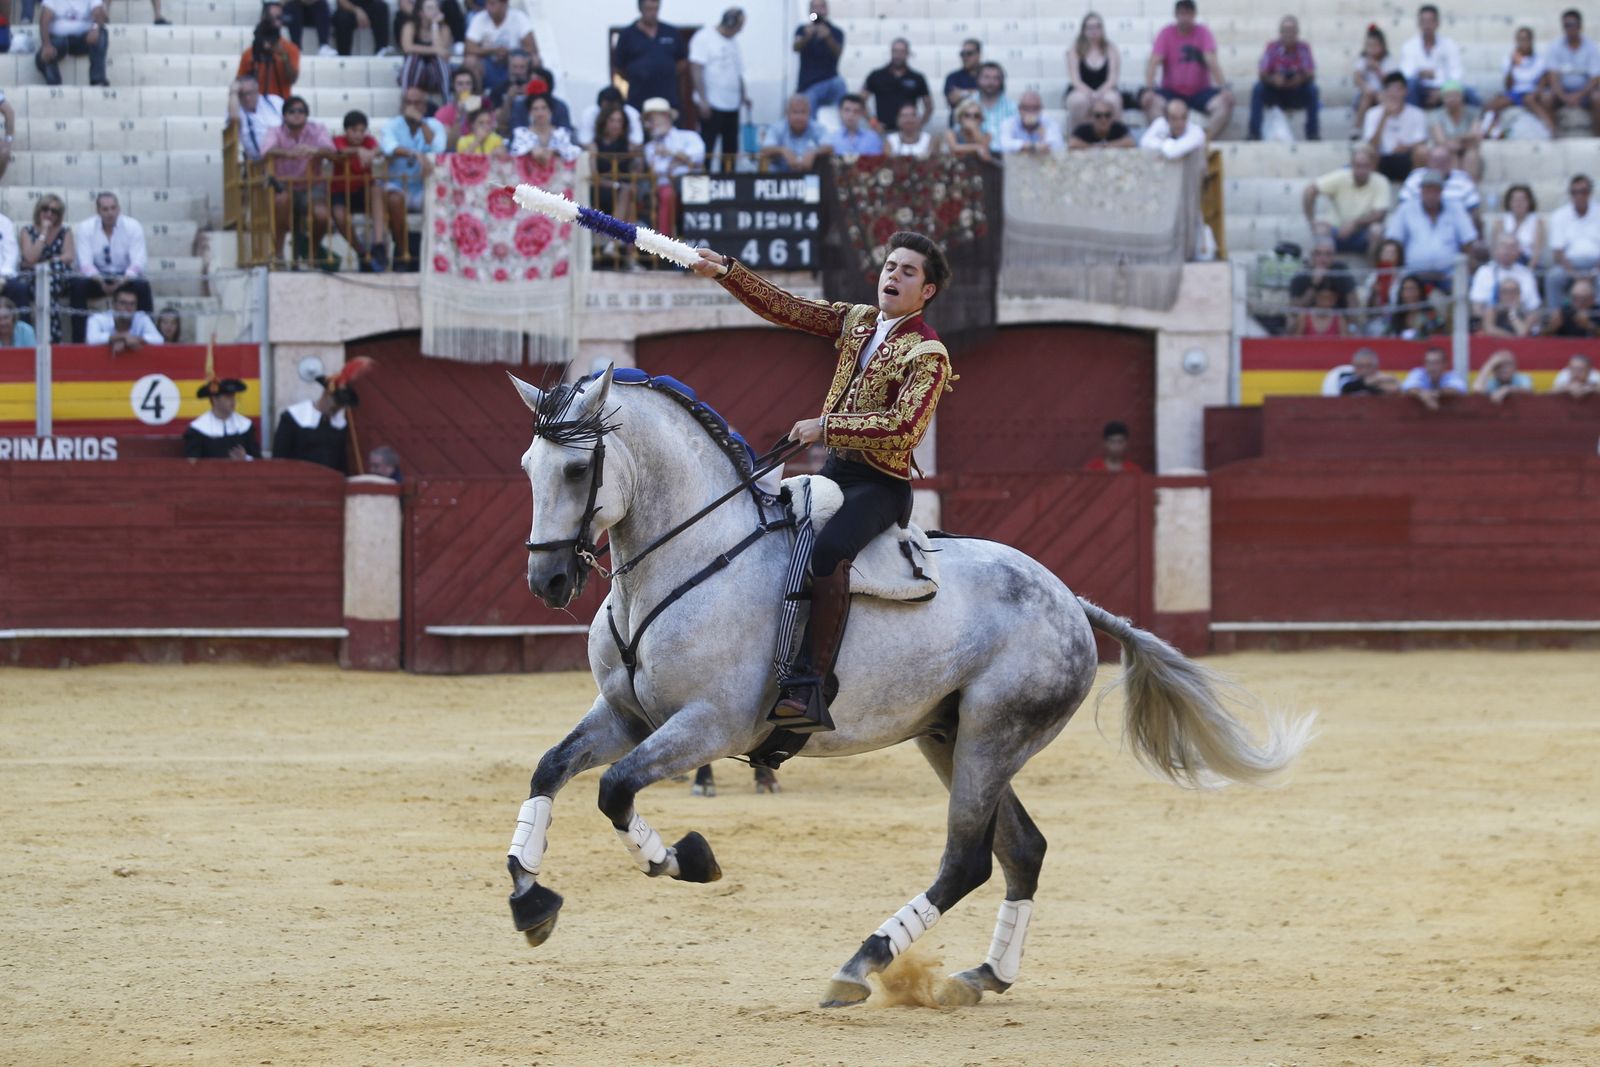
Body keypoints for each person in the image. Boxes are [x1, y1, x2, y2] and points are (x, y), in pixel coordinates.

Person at [690, 231, 953, 734]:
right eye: (890, 266)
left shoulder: (929, 353)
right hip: (834, 473)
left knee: (829, 551)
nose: (893, 276)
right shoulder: (857, 322)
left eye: (908, 272)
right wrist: (728, 271)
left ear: (927, 291)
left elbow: (904, 426)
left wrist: (826, 426)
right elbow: (787, 307)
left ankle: (811, 686)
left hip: (879, 484)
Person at [1142, 0, 1234, 140]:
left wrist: (1224, 87)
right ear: (1176, 15)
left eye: (1188, 13)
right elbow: (1154, 62)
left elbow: (1212, 61)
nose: (1184, 17)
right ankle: (1168, 141)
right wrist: (1148, 89)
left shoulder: (1203, 33)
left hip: (1200, 93)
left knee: (1225, 104)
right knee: (1151, 102)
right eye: (1181, 13)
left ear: (1194, 15)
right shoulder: (1166, 33)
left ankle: (1202, 141)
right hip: (1171, 92)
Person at [71, 192, 154, 343]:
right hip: (97, 277)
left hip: (124, 276)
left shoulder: (133, 226)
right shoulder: (85, 228)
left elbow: (138, 262)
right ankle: (79, 340)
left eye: (113, 208)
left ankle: (144, 337)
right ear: (98, 211)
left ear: (119, 209)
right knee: (77, 286)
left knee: (142, 286)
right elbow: (85, 263)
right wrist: (101, 282)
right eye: (105, 209)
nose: (110, 213)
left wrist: (121, 282)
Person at [262, 95, 335, 266]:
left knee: (323, 216)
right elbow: (265, 150)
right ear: (284, 115)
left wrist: (314, 150)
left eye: (301, 111)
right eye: (292, 111)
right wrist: (288, 153)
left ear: (307, 114)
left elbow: (331, 151)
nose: (296, 114)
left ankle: (312, 251)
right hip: (284, 185)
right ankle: (278, 252)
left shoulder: (317, 129)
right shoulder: (275, 131)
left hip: (312, 185)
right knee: (281, 201)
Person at [380, 86, 447, 270]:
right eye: (408, 103)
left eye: (417, 103)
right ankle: (403, 253)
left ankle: (432, 256)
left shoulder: (434, 125)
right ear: (402, 106)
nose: (412, 107)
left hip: (424, 186)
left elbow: (438, 149)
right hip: (398, 184)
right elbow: (389, 147)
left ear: (425, 107)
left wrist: (421, 123)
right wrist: (416, 154)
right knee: (394, 199)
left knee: (439, 202)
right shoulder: (392, 125)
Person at [1383, 169, 1476, 288]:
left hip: (1448, 274)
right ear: (1421, 191)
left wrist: (1467, 268)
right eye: (1427, 190)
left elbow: (1469, 241)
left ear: (1441, 191)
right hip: (1414, 276)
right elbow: (1393, 241)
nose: (1431, 195)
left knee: (1468, 285)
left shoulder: (1456, 208)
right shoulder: (1406, 209)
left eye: (1435, 190)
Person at [1303, 145, 1393, 258]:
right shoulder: (1341, 176)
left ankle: (1373, 274)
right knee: (1320, 229)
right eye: (1358, 165)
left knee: (1377, 230)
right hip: (1336, 231)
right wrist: (1312, 221)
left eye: (1365, 166)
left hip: (1363, 234)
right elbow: (1310, 190)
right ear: (1352, 165)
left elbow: (1380, 214)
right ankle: (1326, 272)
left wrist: (1355, 223)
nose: (1361, 170)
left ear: (1372, 166)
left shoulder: (1381, 181)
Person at [689, 7, 747, 169]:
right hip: (712, 104)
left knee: (730, 150)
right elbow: (696, 68)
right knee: (707, 147)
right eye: (740, 25)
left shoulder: (734, 42)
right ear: (730, 23)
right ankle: (705, 180)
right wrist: (703, 99)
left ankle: (728, 182)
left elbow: (738, 72)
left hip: (732, 105)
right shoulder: (704, 37)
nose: (741, 30)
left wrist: (744, 94)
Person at [12, 196, 75, 344]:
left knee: (50, 277)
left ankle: (44, 338)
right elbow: (30, 257)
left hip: (57, 277)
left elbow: (68, 256)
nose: (49, 214)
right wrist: (44, 233)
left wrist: (46, 262)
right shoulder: (27, 231)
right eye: (45, 209)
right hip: (34, 278)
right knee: (45, 281)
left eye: (54, 211)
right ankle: (53, 338)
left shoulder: (65, 231)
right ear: (39, 210)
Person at [641, 97, 704, 237]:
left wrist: (671, 153)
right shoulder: (650, 147)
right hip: (667, 186)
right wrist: (682, 160)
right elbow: (659, 169)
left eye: (652, 119)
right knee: (667, 193)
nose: (650, 124)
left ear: (665, 117)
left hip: (692, 182)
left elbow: (698, 158)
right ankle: (666, 243)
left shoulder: (689, 136)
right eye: (648, 121)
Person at [1250, 15, 1319, 141]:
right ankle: (1254, 133)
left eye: (1292, 31)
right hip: (1276, 91)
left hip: (1296, 92)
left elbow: (1311, 73)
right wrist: (1273, 80)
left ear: (1297, 33)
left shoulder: (1303, 48)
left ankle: (1312, 134)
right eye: (1286, 31)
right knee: (1258, 89)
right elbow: (1262, 73)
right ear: (1280, 33)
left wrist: (1300, 79)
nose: (1289, 34)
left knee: (1312, 90)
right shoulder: (1272, 47)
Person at [331, 110, 383, 272]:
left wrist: (372, 152)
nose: (359, 135)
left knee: (376, 189)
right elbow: (339, 151)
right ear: (346, 130)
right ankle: (361, 251)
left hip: (363, 189)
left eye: (362, 131)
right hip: (340, 190)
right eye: (354, 130)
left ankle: (378, 244)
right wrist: (358, 151)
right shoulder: (338, 140)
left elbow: (378, 149)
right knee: (339, 216)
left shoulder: (368, 141)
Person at [274, 374, 358, 473]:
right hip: (297, 481)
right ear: (326, 393)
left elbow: (341, 462)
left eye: (341, 405)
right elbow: (279, 458)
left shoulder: (339, 425)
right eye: (336, 401)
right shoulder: (293, 418)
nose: (337, 408)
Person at [612, 0, 684, 113]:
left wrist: (665, 72)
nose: (653, 13)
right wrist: (637, 75)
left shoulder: (671, 32)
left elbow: (682, 61)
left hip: (668, 99)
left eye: (656, 9)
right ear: (640, 9)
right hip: (638, 100)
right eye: (649, 9)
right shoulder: (627, 35)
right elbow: (618, 67)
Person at [1536, 9, 1600, 136]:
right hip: (1562, 92)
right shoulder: (1555, 46)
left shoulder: (1591, 47)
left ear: (1580, 26)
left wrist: (1578, 96)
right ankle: (1553, 135)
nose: (1568, 29)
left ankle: (1597, 136)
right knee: (1546, 97)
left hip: (1584, 93)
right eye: (1565, 25)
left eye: (1571, 25)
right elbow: (1553, 77)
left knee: (1597, 98)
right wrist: (1564, 96)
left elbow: (1595, 79)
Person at [1400, 4, 1473, 109]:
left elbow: (1457, 73)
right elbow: (1405, 73)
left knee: (1470, 95)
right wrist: (1419, 73)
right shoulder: (1409, 46)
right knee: (1410, 84)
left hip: (1445, 89)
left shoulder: (1449, 44)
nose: (1427, 25)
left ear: (1437, 23)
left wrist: (1442, 91)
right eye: (1423, 21)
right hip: (1420, 90)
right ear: (1419, 24)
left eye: (1430, 21)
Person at [1484, 26, 1552, 138]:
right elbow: (1508, 86)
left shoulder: (1540, 60)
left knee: (1531, 100)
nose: (1523, 43)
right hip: (1515, 92)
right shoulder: (1509, 60)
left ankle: (1550, 128)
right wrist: (1512, 65)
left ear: (1531, 41)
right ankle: (1490, 131)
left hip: (1532, 92)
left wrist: (1537, 92)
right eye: (1520, 40)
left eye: (1526, 39)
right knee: (1492, 105)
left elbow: (1544, 80)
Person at [1544, 174, 1600, 308]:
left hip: (1597, 263)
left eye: (1583, 191)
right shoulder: (1559, 215)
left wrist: (1595, 272)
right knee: (1553, 277)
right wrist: (1575, 274)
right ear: (1570, 194)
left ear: (1590, 193)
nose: (1579, 196)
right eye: (1574, 192)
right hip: (1569, 264)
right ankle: (1555, 318)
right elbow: (1558, 253)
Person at [1363, 72, 1428, 183]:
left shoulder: (1418, 113)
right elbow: (1372, 144)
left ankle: (1416, 185)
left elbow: (1421, 140)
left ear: (1406, 91)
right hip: (1382, 158)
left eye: (1398, 89)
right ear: (1384, 92)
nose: (1394, 94)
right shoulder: (1372, 113)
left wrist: (1406, 147)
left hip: (1407, 158)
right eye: (1390, 89)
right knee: (1367, 152)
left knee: (1422, 152)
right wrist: (1384, 116)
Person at [1064, 13, 1124, 131]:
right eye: (1090, 27)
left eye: (1097, 27)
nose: (1094, 31)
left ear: (1102, 29)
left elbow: (1112, 78)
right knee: (1079, 101)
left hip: (1105, 88)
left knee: (1113, 99)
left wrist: (1100, 93)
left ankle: (1115, 138)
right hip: (1081, 89)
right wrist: (1090, 93)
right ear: (1083, 30)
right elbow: (1075, 78)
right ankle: (1079, 137)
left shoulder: (1110, 48)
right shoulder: (1075, 49)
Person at [466, 0, 537, 98]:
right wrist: (493, 51)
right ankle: (477, 100)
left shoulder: (518, 17)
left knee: (535, 60)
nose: (488, 8)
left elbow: (531, 47)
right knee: (470, 61)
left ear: (505, 4)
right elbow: (469, 48)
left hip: (514, 63)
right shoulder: (479, 18)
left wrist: (510, 53)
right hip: (489, 65)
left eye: (492, 4)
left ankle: (535, 97)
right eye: (487, 4)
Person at [1398, 145, 1480, 225]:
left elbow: (1473, 210)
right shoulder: (1415, 177)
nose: (1439, 164)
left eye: (1443, 160)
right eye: (1436, 160)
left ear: (1450, 162)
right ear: (1428, 161)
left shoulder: (1463, 179)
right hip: (1418, 225)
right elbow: (1404, 206)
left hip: (1455, 227)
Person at [1470, 234, 1541, 326]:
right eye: (1504, 246)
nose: (1507, 251)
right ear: (1495, 249)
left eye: (1512, 247)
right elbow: (1477, 307)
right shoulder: (1484, 271)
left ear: (1519, 252)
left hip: (1520, 321)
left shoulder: (1526, 274)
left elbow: (1533, 307)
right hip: (1491, 324)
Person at [863, 38, 933, 132]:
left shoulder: (917, 78)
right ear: (891, 52)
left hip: (908, 133)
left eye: (902, 51)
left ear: (908, 53)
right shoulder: (876, 75)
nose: (898, 55)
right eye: (895, 51)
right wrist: (873, 123)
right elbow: (860, 101)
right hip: (883, 131)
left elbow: (929, 106)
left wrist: (919, 125)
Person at [35, 0, 109, 88]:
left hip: (84, 39)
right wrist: (46, 44)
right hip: (60, 40)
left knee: (102, 34)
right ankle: (55, 86)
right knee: (42, 56)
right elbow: (44, 19)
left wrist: (95, 27)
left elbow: (98, 11)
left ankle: (98, 81)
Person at [184, 378, 259, 461]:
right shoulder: (198, 429)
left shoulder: (245, 426)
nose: (233, 401)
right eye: (227, 397)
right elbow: (191, 464)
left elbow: (259, 462)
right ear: (215, 400)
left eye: (233, 396)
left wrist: (245, 458)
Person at [794, 0, 846, 116]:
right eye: (814, 7)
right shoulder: (802, 29)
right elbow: (795, 48)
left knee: (840, 84)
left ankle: (845, 127)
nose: (817, 10)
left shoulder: (836, 32)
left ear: (826, 10)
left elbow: (838, 53)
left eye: (821, 7)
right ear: (810, 11)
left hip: (830, 80)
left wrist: (828, 38)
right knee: (808, 101)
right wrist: (807, 36)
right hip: (808, 84)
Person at [238, 8, 299, 99]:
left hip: (281, 102)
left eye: (278, 18)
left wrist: (284, 56)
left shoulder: (290, 49)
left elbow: (292, 79)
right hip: (256, 104)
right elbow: (240, 82)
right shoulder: (250, 53)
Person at [227, 73, 287, 166]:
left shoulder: (274, 102)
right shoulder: (236, 108)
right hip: (259, 165)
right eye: (242, 94)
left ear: (257, 91)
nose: (247, 98)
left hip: (286, 155)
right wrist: (233, 92)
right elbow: (234, 121)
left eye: (250, 93)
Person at [85, 284, 163, 353]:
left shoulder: (141, 318)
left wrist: (128, 340)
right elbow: (92, 339)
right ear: (113, 304)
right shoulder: (98, 319)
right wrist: (124, 336)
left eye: (132, 304)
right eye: (123, 303)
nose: (128, 308)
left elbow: (159, 340)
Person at [1427, 84, 1481, 181]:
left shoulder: (1473, 113)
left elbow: (1475, 135)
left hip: (1466, 149)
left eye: (1454, 95)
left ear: (1462, 97)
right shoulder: (1435, 114)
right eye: (1447, 96)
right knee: (1449, 154)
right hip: (1450, 149)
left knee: (1471, 155)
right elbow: (1440, 140)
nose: (1451, 99)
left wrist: (1456, 141)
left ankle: (1469, 187)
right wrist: (1463, 140)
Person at [398, 0, 452, 96]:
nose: (435, 11)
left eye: (436, 7)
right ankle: (406, 98)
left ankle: (447, 100)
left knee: (440, 60)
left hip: (435, 74)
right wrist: (434, 50)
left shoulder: (444, 28)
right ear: (421, 13)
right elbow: (407, 48)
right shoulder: (410, 26)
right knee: (413, 58)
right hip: (413, 72)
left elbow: (442, 50)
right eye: (430, 8)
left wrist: (434, 26)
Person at [1289, 238, 1356, 309]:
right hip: (1308, 317)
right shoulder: (1301, 275)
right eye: (1318, 254)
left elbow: (1353, 301)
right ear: (1311, 256)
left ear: (1334, 256)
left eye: (1328, 254)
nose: (1323, 258)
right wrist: (1314, 285)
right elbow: (1295, 309)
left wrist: (1353, 319)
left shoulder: (1341, 271)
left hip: (1337, 317)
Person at [510, 93, 580, 161]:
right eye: (535, 109)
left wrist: (556, 152)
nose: (540, 113)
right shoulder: (522, 134)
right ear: (530, 112)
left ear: (550, 110)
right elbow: (514, 153)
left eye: (544, 108)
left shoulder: (561, 133)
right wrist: (530, 151)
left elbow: (575, 152)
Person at [1353, 25, 1398, 121]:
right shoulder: (1363, 60)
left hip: (1383, 94)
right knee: (1367, 96)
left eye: (1375, 46)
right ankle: (1357, 127)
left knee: (1382, 97)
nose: (1371, 49)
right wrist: (1365, 86)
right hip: (1365, 94)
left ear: (1382, 46)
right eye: (1369, 46)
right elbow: (1356, 78)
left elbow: (1390, 82)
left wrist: (1377, 70)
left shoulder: (1389, 61)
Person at [1491, 184, 1544, 266]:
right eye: (1515, 200)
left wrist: (1528, 272)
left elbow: (1537, 252)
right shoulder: (1500, 221)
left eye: (1522, 200)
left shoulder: (1537, 222)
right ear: (1509, 202)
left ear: (1529, 202)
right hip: (1506, 261)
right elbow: (1496, 249)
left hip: (1528, 261)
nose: (1519, 203)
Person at [1139, 96, 1206, 159]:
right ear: (1167, 119)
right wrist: (1163, 144)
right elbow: (1144, 142)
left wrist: (1164, 142)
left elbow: (1172, 152)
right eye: (1174, 118)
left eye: (1183, 117)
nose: (1179, 123)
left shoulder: (1197, 132)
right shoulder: (1160, 123)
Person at [1402, 344, 1467, 409]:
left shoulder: (1452, 376)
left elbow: (1457, 389)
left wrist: (1436, 394)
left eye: (1436, 363)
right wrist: (1422, 394)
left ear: (1445, 364)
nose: (1432, 367)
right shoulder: (1418, 373)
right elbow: (1408, 387)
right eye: (1429, 362)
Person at [998, 90, 1063, 155]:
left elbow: (1058, 146)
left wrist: (1044, 136)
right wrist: (1032, 147)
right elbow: (1004, 145)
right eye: (1026, 108)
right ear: (1019, 109)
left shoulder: (1050, 123)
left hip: (1042, 162)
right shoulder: (1008, 123)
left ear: (1041, 109)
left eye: (1035, 108)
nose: (1031, 112)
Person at [578, 87, 643, 149]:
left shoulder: (632, 114)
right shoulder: (589, 113)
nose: (610, 111)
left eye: (619, 120)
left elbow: (637, 141)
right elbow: (585, 141)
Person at [1388, 274, 1448, 339]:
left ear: (1420, 291)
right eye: (1405, 289)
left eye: (1412, 289)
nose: (1409, 294)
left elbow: (1441, 334)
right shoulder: (1395, 315)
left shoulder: (1431, 314)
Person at [434, 69, 482, 149]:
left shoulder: (482, 108)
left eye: (468, 83)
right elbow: (449, 145)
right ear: (453, 87)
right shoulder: (444, 112)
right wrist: (459, 116)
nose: (464, 87)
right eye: (460, 84)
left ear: (473, 87)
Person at [831, 94, 883, 158]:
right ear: (840, 112)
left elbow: (876, 163)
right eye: (847, 110)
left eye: (856, 111)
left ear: (861, 114)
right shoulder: (831, 138)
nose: (851, 115)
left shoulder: (872, 138)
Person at [945, 38, 983, 124]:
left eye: (969, 54)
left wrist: (962, 92)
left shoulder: (988, 75)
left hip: (982, 125)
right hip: (958, 127)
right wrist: (978, 92)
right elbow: (953, 99)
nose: (965, 57)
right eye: (962, 54)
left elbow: (993, 97)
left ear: (979, 54)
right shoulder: (953, 77)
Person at [1070, 98, 1135, 148]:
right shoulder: (1083, 129)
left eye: (1107, 115)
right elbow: (1072, 143)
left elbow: (1130, 142)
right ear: (1091, 118)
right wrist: (1096, 147)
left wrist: (1103, 146)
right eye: (1098, 115)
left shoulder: (1118, 127)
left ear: (1112, 117)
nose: (1103, 119)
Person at [1336, 348, 1401, 395]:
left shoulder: (1383, 378)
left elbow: (1394, 388)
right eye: (1360, 366)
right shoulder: (1345, 377)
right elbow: (1346, 387)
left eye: (1369, 366)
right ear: (1354, 366)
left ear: (1376, 367)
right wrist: (1374, 383)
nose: (1365, 370)